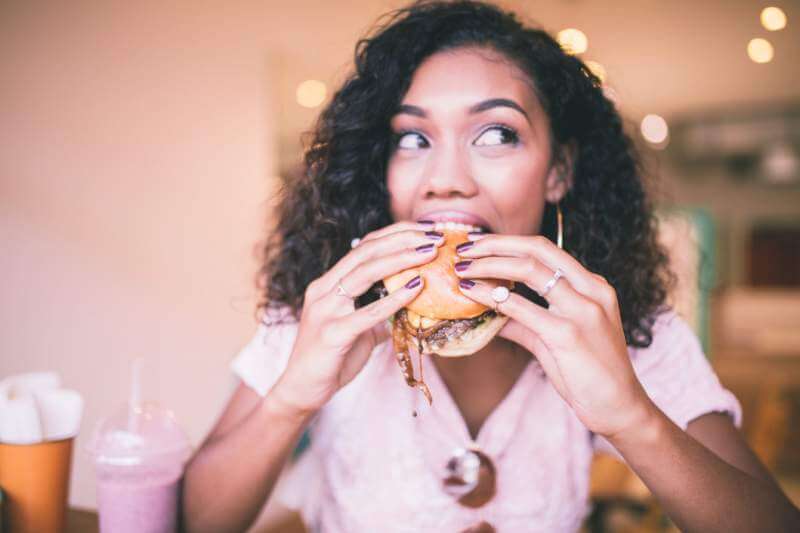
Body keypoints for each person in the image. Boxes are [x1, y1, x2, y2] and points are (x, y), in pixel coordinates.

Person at [182, 1, 800, 532]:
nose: (446, 182)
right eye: (412, 139)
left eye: (496, 134)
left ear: (558, 171)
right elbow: (193, 520)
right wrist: (291, 397)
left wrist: (630, 416)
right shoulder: (328, 309)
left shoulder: (621, 324)